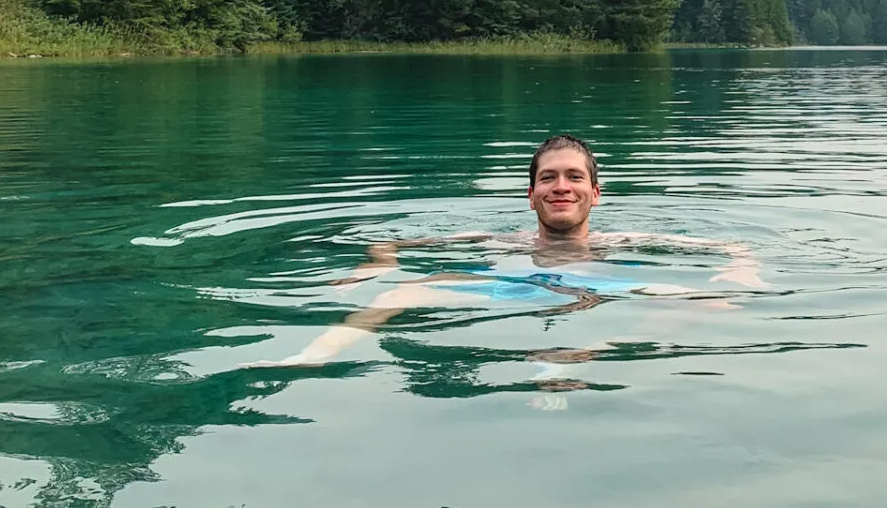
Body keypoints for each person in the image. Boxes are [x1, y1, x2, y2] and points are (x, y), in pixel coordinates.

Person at [281, 134, 764, 368]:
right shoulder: (499, 242)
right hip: (514, 286)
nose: (561, 187)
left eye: (575, 177)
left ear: (596, 193)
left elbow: (731, 244)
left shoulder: (621, 242)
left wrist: (741, 268)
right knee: (410, 288)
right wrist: (376, 264)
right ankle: (310, 356)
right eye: (547, 178)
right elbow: (390, 241)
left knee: (708, 299)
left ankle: (586, 355)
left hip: (605, 285)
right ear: (530, 194)